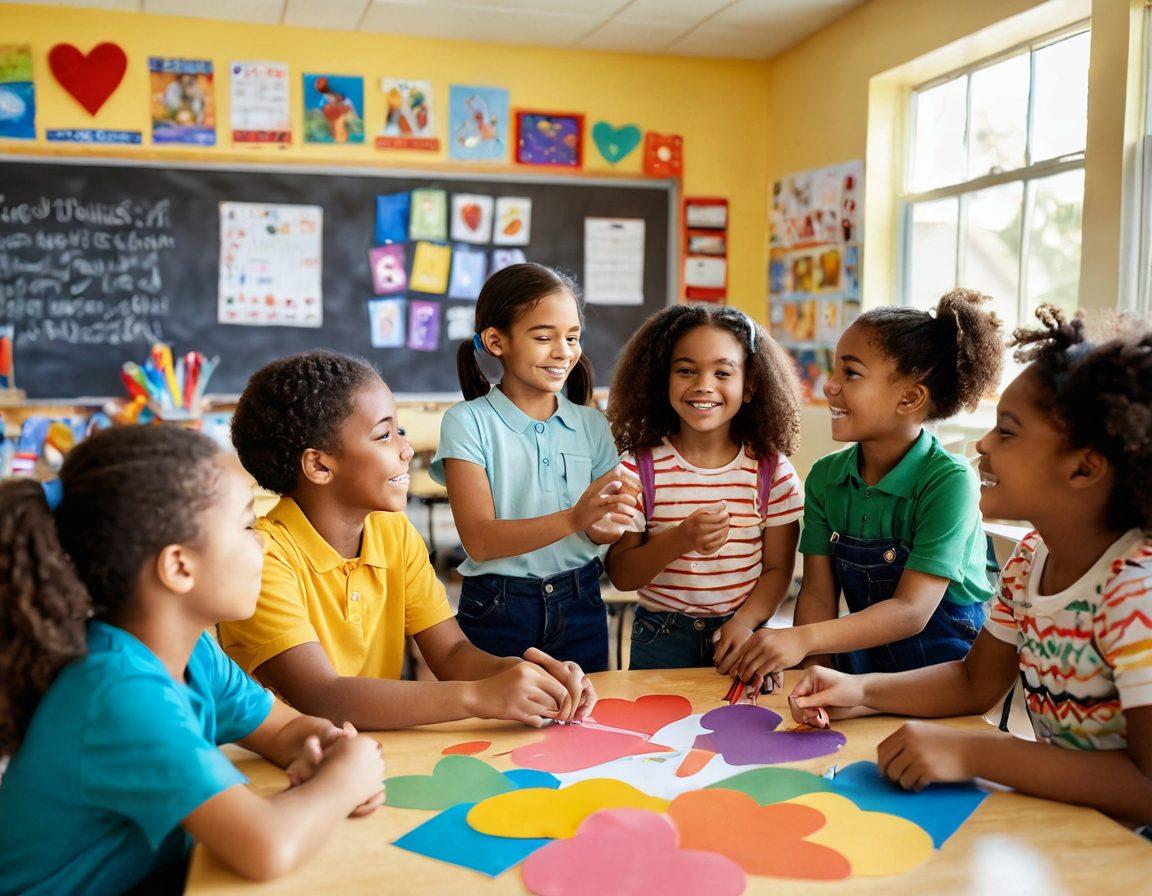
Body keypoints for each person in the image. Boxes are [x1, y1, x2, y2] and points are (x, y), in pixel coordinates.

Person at [787, 306, 1151, 829]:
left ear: (1084, 467)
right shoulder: (1030, 560)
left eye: (1007, 431)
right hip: (1074, 828)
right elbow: (974, 681)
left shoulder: (1136, 591)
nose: (982, 444)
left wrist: (974, 754)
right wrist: (858, 691)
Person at [0, 426, 386, 892]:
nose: (261, 542)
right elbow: (266, 846)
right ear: (180, 566)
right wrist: (348, 776)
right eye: (247, 525)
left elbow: (282, 729)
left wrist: (323, 745)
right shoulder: (117, 690)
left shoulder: (193, 651)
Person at [221, 350, 595, 729]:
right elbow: (322, 697)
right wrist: (479, 696)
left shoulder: (393, 532)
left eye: (400, 430)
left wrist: (522, 675)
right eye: (384, 435)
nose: (407, 448)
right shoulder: (263, 558)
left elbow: (450, 652)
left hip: (370, 756)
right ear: (319, 465)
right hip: (279, 772)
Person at [733, 288, 1004, 685]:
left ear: (910, 397)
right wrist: (815, 675)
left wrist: (801, 638)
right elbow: (817, 597)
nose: (829, 385)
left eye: (851, 373)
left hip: (944, 677)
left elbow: (912, 611)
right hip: (864, 669)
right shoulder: (827, 478)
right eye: (835, 370)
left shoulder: (950, 481)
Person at [432, 263, 638, 672]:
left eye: (572, 337)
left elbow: (599, 531)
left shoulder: (593, 424)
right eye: (544, 337)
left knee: (585, 725)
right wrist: (575, 517)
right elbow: (481, 541)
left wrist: (609, 520)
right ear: (496, 341)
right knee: (498, 727)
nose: (563, 351)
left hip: (581, 601)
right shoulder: (467, 422)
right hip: (498, 606)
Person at [604, 304, 804, 671]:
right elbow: (622, 574)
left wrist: (744, 623)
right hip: (660, 639)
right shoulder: (638, 468)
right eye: (686, 370)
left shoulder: (771, 472)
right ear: (662, 380)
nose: (703, 385)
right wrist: (681, 538)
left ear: (750, 387)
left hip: (742, 636)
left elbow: (778, 571)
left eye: (722, 372)